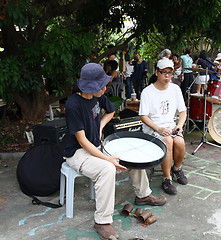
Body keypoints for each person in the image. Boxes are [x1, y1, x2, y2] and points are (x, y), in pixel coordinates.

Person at [64, 63, 166, 240]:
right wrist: (107, 159)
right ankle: (102, 221)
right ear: (90, 87)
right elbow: (82, 141)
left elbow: (110, 111)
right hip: (77, 152)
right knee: (107, 169)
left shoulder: (99, 96)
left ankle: (143, 195)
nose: (105, 88)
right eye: (101, 85)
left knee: (129, 156)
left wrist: (100, 127)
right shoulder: (73, 105)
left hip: (95, 145)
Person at [139, 58, 188, 195]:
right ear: (156, 72)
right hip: (153, 128)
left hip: (170, 126)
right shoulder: (147, 92)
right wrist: (158, 128)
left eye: (170, 73)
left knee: (179, 141)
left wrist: (179, 125)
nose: (167, 76)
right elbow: (143, 117)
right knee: (167, 141)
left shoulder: (175, 89)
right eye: (163, 72)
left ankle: (177, 169)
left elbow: (183, 111)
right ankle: (167, 178)